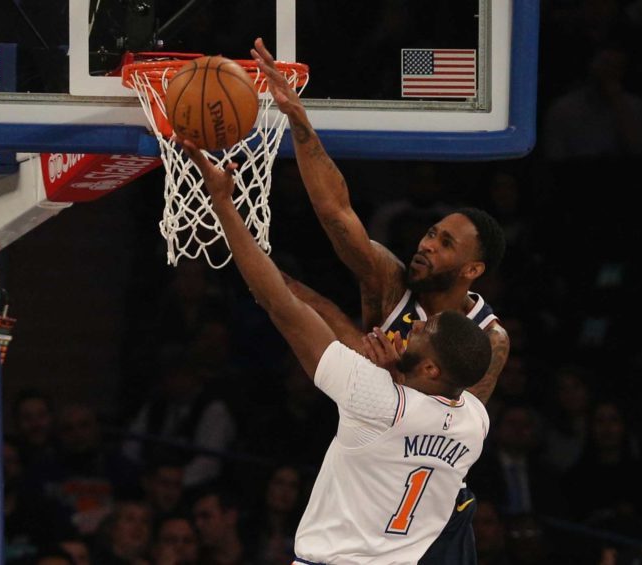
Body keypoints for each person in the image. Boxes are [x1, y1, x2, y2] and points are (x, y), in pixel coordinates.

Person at [251, 37, 510, 562]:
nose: (425, 244)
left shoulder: (490, 338)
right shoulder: (391, 281)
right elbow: (335, 211)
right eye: (431, 233)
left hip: (433, 508)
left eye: (444, 244)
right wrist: (299, 122)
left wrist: (388, 377)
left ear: (473, 270)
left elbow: (445, 430)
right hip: (372, 472)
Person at [181, 139, 492, 562]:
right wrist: (397, 377)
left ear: (433, 369)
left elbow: (279, 302)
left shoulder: (375, 397)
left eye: (423, 329)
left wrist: (223, 204)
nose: (414, 324)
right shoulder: (473, 424)